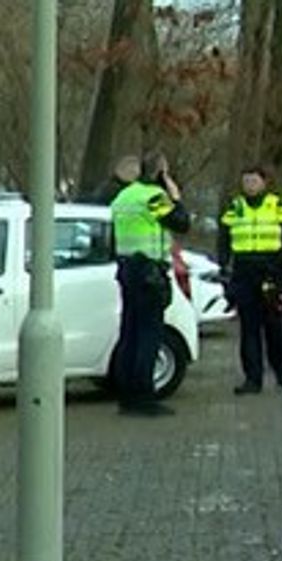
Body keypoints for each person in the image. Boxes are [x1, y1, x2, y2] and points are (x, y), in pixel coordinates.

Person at [109, 151, 191, 416]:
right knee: (149, 334)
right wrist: (175, 197)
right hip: (148, 271)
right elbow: (181, 223)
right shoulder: (153, 197)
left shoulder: (124, 195)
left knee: (129, 332)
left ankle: (126, 395)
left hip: (126, 269)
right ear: (159, 173)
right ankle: (144, 396)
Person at [218, 167, 282, 395]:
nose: (249, 185)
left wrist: (280, 266)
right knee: (249, 328)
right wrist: (224, 266)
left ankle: (279, 368)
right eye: (246, 181)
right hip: (244, 272)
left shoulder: (276, 205)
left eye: (254, 181)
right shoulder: (235, 206)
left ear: (264, 183)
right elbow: (224, 238)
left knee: (273, 326)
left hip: (270, 271)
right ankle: (253, 378)